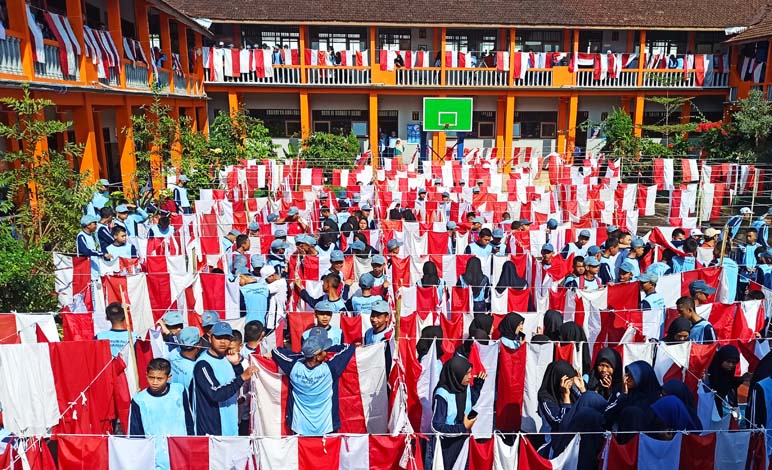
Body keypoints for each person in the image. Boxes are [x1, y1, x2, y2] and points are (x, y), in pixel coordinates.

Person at [271, 330, 356, 435]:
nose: (327, 352)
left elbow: (275, 351)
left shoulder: (293, 367)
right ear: (318, 356)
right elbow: (349, 348)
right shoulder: (331, 369)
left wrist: (300, 356)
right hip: (326, 428)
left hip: (299, 427)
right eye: (325, 350)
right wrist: (332, 349)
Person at [191, 322, 258, 436]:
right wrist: (242, 377)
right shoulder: (203, 364)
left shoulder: (225, 359)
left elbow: (232, 383)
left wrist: (236, 365)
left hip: (230, 425)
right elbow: (215, 394)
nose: (223, 342)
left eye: (227, 338)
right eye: (219, 337)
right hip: (213, 430)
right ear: (210, 338)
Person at [129, 359, 193, 470]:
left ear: (169, 377)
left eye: (159, 379)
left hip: (181, 455)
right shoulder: (139, 400)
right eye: (151, 377)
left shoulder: (180, 391)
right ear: (146, 375)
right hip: (155, 460)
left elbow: (189, 422)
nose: (154, 382)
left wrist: (191, 446)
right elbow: (135, 435)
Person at [425, 356, 486, 469]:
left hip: (463, 442)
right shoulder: (442, 395)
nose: (470, 377)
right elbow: (436, 426)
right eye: (467, 374)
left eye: (470, 373)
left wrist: (477, 386)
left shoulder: (464, 387)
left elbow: (469, 402)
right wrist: (462, 427)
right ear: (456, 374)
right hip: (447, 447)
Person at [605, 361, 661, 431]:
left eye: (632, 376)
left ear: (642, 378)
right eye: (627, 374)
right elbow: (607, 415)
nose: (626, 379)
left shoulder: (654, 398)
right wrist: (623, 395)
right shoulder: (622, 388)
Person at [538, 360, 584, 433]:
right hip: (554, 439)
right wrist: (566, 396)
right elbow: (560, 423)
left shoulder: (573, 389)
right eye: (568, 381)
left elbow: (589, 407)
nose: (571, 385)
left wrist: (583, 389)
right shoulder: (545, 398)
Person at [703, 345, 742, 418]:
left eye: (734, 363)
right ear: (721, 359)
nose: (731, 365)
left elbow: (727, 385)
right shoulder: (710, 369)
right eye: (728, 361)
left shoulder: (728, 372)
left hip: (719, 406)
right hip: (707, 405)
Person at [77, 214, 112, 278]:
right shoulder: (81, 236)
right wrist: (102, 254)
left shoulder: (91, 235)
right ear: (88, 225)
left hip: (94, 270)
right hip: (87, 270)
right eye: (95, 223)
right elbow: (86, 251)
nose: (96, 225)